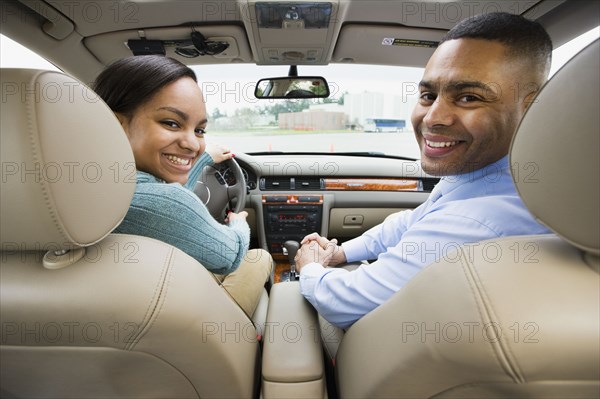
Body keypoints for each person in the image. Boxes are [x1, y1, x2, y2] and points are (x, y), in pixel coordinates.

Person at [295, 12, 553, 329]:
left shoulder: (476, 219)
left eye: (469, 97)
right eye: (428, 95)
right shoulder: (497, 179)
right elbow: (412, 221)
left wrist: (310, 267)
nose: (433, 118)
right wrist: (341, 253)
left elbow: (343, 303)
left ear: (533, 106)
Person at [93, 55, 272, 317]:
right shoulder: (167, 203)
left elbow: (166, 197)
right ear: (116, 123)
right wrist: (239, 223)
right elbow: (230, 255)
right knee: (259, 259)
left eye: (199, 130)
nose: (192, 144)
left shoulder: (86, 188)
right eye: (171, 123)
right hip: (192, 324)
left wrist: (204, 160)